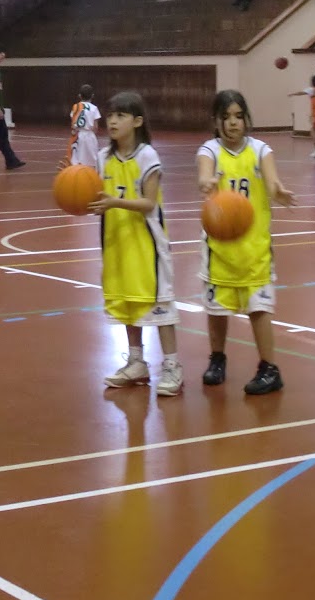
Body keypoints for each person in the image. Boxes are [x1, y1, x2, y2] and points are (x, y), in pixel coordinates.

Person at [196, 89, 295, 395]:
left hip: (254, 247)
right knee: (217, 309)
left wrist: (278, 191)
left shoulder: (260, 149)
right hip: (220, 247)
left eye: (239, 116)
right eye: (226, 117)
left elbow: (272, 179)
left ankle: (269, 368)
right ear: (216, 121)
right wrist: (207, 183)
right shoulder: (210, 150)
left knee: (259, 309)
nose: (233, 123)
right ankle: (217, 359)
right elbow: (204, 175)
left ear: (247, 119)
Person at [92, 92, 180, 395]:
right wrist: (72, 181)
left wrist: (115, 201)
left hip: (147, 243)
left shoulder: (147, 156)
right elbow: (93, 195)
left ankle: (171, 366)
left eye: (120, 115)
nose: (112, 121)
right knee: (129, 302)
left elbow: (148, 203)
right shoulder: (103, 158)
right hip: (116, 242)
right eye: (110, 115)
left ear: (138, 121)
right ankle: (137, 361)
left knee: (159, 305)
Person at [68, 84, 101, 168]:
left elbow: (73, 122)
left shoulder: (75, 107)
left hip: (77, 135)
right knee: (92, 161)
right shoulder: (94, 108)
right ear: (92, 95)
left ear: (79, 95)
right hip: (89, 135)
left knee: (76, 160)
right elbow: (95, 127)